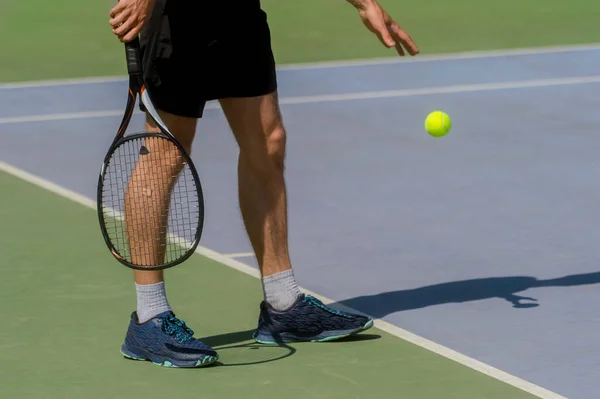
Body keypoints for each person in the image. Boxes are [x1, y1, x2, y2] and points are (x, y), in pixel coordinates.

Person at [108, 0, 419, 368]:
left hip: (237, 13)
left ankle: (283, 303)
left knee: (269, 141)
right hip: (177, 15)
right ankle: (149, 318)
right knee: (166, 151)